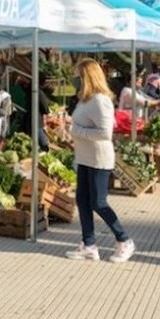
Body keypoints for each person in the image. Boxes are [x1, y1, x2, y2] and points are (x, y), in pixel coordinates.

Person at [66, 58, 135, 263]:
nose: (75, 79)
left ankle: (124, 239)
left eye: (78, 75)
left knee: (98, 202)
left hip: (99, 159)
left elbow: (105, 133)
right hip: (84, 157)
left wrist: (75, 130)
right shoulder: (84, 99)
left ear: (87, 76)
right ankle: (89, 245)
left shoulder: (100, 100)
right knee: (83, 201)